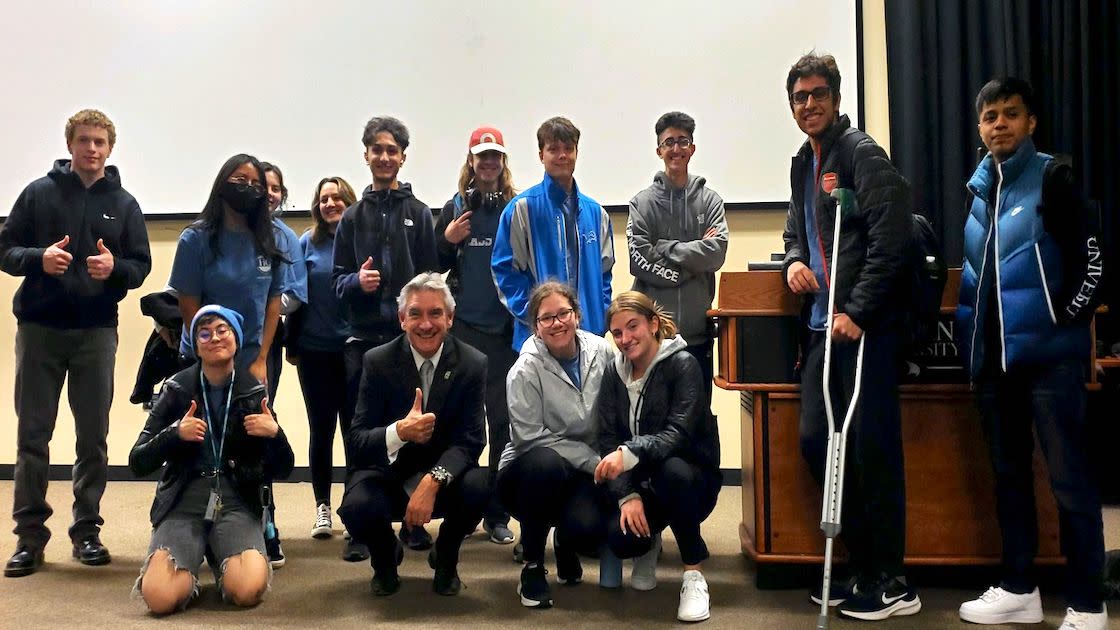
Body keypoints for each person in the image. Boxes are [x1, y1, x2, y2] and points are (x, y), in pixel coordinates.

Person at [955, 77, 1107, 630]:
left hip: (1051, 363)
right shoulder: (978, 191)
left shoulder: (1053, 178)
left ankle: (1088, 603)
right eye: (990, 116)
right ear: (978, 127)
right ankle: (1020, 589)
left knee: (1069, 481)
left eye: (1010, 114)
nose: (999, 124)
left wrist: (1065, 320)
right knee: (1009, 477)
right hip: (995, 363)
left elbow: (1093, 262)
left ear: (1030, 122)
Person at [780, 53, 920, 620]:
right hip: (821, 324)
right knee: (818, 441)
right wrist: (792, 262)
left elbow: (896, 235)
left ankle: (892, 578)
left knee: (870, 448)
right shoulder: (802, 163)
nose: (808, 104)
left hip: (864, 329)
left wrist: (859, 310)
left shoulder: (861, 153)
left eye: (817, 94)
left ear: (837, 99)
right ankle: (858, 562)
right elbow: (796, 230)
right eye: (799, 97)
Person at [1, 109, 152, 577]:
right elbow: (5, 250)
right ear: (70, 145)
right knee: (33, 437)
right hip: (40, 331)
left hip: (96, 333)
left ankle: (86, 530)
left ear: (110, 148)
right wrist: (37, 259)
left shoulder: (124, 203)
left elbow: (140, 264)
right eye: (84, 140)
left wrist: (118, 271)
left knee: (93, 439)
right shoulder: (38, 194)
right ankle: (29, 538)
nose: (92, 149)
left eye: (100, 142)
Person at [128, 305, 294, 614]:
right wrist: (174, 433)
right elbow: (137, 461)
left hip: (236, 502)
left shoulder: (252, 391)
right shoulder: (176, 389)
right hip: (183, 503)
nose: (214, 337)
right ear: (195, 344)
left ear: (235, 339)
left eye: (222, 330)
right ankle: (190, 556)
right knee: (160, 598)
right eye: (204, 333)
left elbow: (284, 468)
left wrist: (275, 434)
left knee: (247, 590)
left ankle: (222, 559)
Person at [337, 273, 489, 597]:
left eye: (435, 313)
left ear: (450, 317)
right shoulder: (377, 361)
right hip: (390, 476)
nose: (425, 324)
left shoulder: (473, 364)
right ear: (402, 319)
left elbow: (472, 440)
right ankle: (385, 560)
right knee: (356, 506)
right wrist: (399, 432)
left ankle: (446, 558)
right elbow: (357, 440)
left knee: (482, 487)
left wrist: (433, 480)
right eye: (416, 314)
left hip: (442, 480)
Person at [332, 115, 439, 556]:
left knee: (410, 431)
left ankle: (412, 522)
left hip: (409, 345)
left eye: (392, 150)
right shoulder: (352, 217)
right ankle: (361, 526)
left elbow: (434, 278)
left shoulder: (419, 214)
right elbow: (336, 283)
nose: (384, 157)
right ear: (366, 156)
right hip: (362, 341)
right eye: (376, 149)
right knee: (362, 431)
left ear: (402, 157)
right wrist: (357, 283)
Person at [593, 291, 721, 622]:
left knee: (671, 472)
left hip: (690, 477)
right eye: (617, 332)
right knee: (620, 541)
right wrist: (628, 495)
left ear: (653, 324)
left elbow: (677, 435)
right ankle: (649, 539)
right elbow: (606, 437)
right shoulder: (613, 372)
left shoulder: (683, 364)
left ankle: (693, 572)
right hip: (642, 480)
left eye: (632, 326)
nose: (625, 339)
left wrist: (630, 451)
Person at [498, 281, 614, 609]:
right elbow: (528, 436)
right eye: (546, 318)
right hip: (528, 472)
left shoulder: (602, 352)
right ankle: (533, 566)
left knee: (589, 530)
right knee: (545, 464)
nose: (557, 323)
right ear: (535, 328)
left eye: (563, 313)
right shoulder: (523, 370)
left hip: (581, 469)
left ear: (577, 316)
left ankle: (565, 538)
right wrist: (591, 460)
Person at [434, 126, 518, 545]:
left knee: (503, 423)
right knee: (464, 424)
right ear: (471, 161)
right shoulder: (454, 208)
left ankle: (497, 513)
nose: (488, 163)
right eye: (481, 156)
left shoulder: (515, 208)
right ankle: (460, 509)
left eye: (495, 156)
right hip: (464, 331)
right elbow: (431, 265)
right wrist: (447, 241)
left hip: (503, 331)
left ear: (502, 163)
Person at [626, 111, 728, 410]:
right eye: (669, 142)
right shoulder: (642, 203)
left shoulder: (709, 201)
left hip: (698, 336)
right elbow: (639, 260)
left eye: (683, 141)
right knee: (654, 420)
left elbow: (717, 251)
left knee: (696, 419)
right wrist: (689, 268)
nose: (676, 149)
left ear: (692, 148)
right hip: (654, 339)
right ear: (659, 151)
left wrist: (667, 247)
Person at [492, 116, 615, 351]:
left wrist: (599, 315)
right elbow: (504, 273)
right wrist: (538, 317)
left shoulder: (596, 213)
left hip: (590, 339)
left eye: (569, 149)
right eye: (554, 149)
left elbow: (605, 273)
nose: (562, 156)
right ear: (541, 155)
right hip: (538, 339)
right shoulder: (522, 209)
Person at [290, 176, 357, 540]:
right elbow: (295, 297)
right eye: (324, 198)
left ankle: (352, 506)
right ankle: (322, 508)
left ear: (349, 201)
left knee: (353, 431)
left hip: (352, 350)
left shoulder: (360, 240)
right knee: (321, 430)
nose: (330, 204)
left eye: (337, 198)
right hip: (315, 351)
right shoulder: (306, 243)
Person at [257, 161, 307, 568]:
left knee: (258, 428)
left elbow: (294, 295)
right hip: (217, 343)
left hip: (263, 346)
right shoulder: (221, 230)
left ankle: (266, 522)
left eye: (276, 188)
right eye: (263, 186)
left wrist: (262, 312)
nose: (270, 193)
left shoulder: (286, 238)